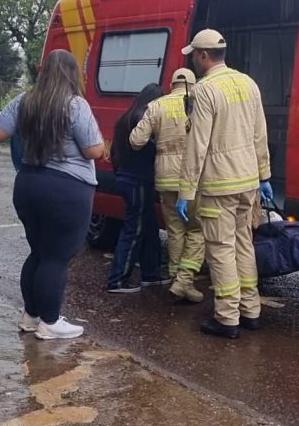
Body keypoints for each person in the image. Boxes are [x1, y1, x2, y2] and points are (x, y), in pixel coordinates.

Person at [0, 49, 106, 340]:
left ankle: (31, 316)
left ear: (44, 72)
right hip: (66, 190)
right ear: (71, 74)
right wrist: (102, 146)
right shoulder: (76, 105)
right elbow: (93, 150)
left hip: (28, 184)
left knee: (39, 253)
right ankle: (51, 323)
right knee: (56, 257)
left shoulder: (25, 101)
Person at [177, 29, 272, 339]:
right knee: (244, 246)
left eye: (194, 54)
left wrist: (186, 191)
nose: (192, 58)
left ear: (204, 56)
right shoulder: (249, 83)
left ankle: (227, 318)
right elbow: (260, 134)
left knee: (220, 251)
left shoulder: (205, 90)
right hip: (248, 184)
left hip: (219, 186)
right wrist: (265, 175)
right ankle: (251, 310)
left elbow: (197, 144)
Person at [130, 68, 205, 303]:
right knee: (197, 230)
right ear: (193, 85)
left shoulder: (156, 105)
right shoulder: (199, 104)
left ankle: (177, 280)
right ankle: (184, 280)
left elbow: (135, 141)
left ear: (172, 84)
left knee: (175, 231)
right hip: (192, 179)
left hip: (164, 178)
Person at [106, 83, 168, 293]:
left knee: (149, 227)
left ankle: (151, 273)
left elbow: (114, 152)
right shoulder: (146, 118)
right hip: (139, 181)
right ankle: (117, 280)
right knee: (134, 230)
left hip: (125, 178)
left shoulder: (126, 117)